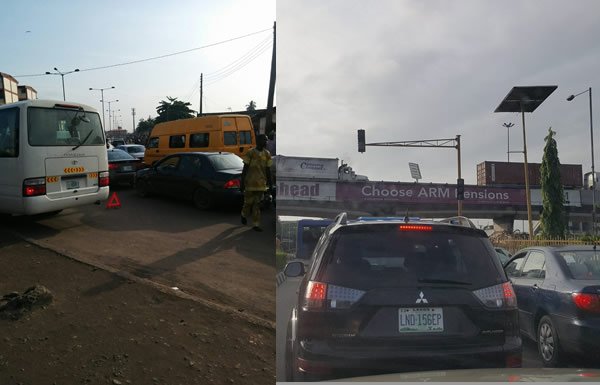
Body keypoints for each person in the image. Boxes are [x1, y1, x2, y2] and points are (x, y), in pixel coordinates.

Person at [240, 134, 273, 231]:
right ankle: (243, 214)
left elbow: (268, 171)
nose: (266, 142)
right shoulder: (250, 152)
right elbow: (244, 169)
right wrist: (242, 183)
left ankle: (256, 224)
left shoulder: (267, 154)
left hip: (261, 185)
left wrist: (270, 185)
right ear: (258, 141)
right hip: (249, 183)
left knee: (257, 205)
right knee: (248, 203)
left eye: (266, 140)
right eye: (264, 140)